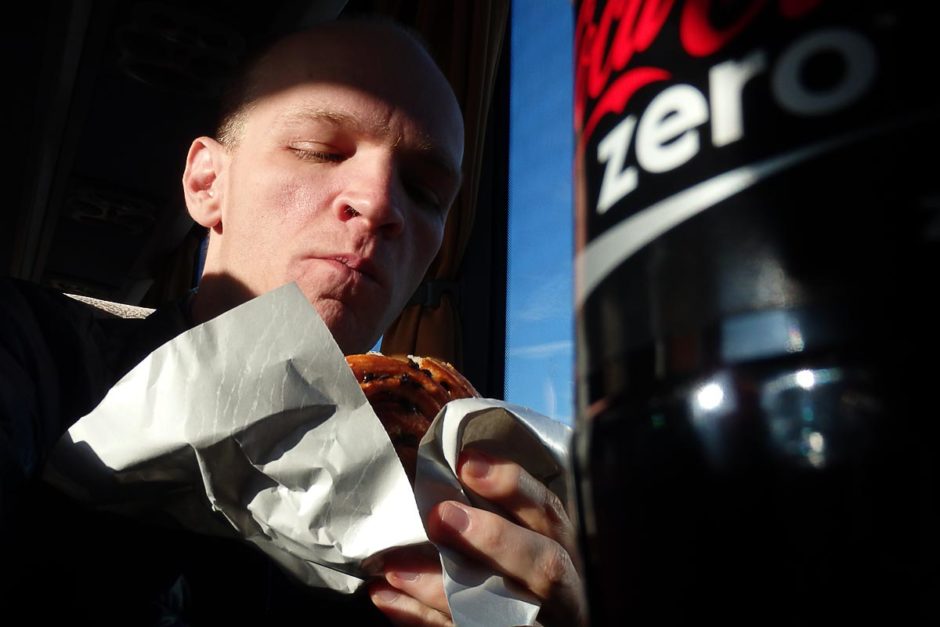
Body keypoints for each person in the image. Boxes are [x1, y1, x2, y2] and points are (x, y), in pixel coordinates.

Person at [0, 18, 584, 626]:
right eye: (319, 151)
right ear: (206, 183)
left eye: (425, 193)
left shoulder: (448, 511)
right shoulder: (30, 356)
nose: (380, 202)